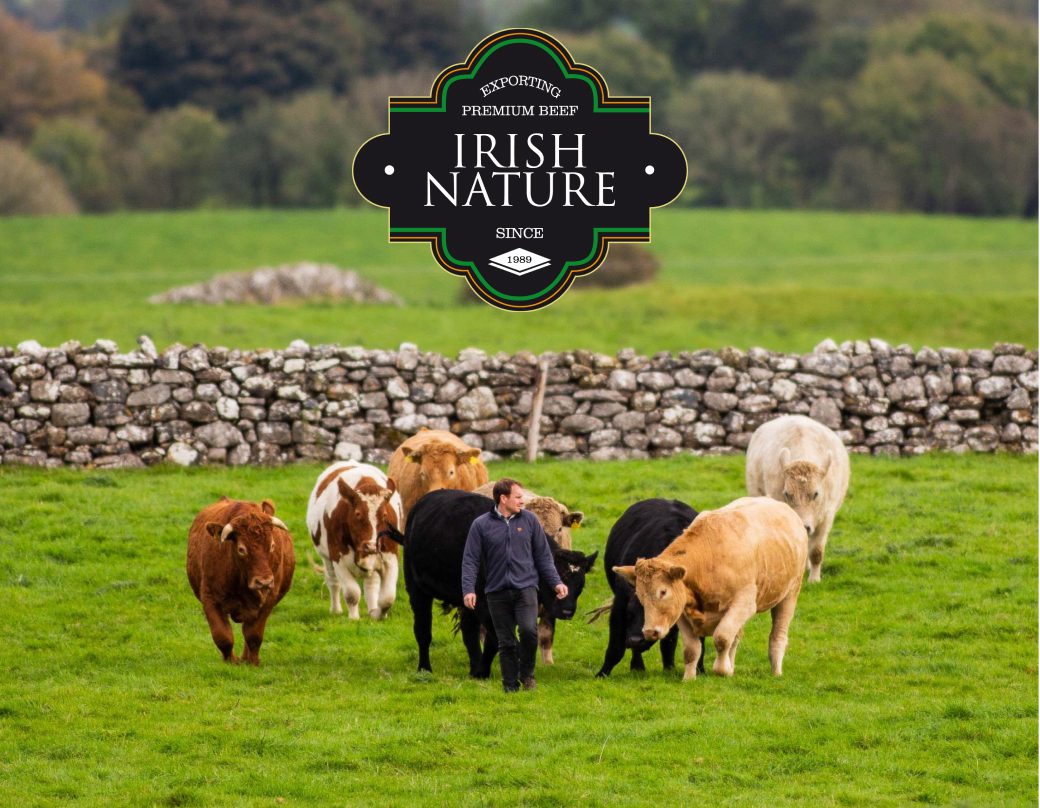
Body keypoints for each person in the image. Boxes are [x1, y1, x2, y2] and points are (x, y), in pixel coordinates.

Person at [462, 478, 568, 692]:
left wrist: (556, 582)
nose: (522, 501)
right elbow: (470, 560)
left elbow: (543, 557)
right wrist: (469, 589)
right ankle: (510, 685)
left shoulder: (530, 521)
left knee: (529, 632)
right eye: (518, 497)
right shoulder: (481, 525)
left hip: (526, 589)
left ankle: (527, 675)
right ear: (503, 498)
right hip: (496, 591)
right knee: (506, 641)